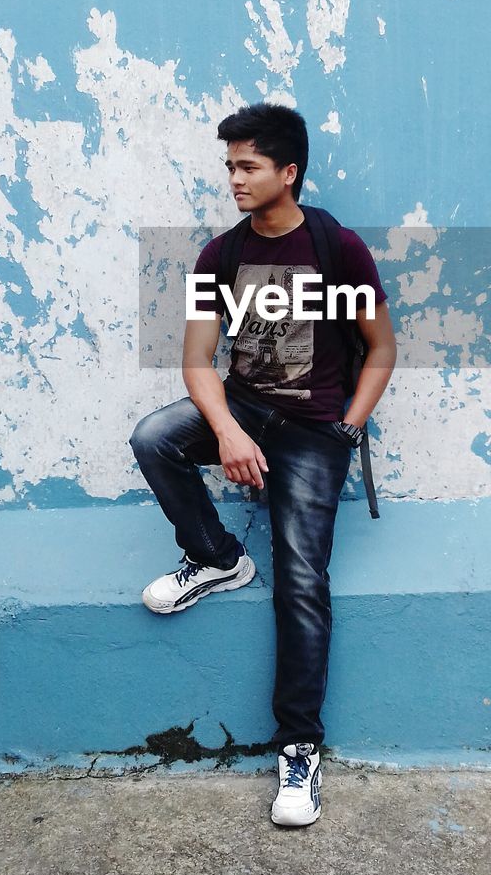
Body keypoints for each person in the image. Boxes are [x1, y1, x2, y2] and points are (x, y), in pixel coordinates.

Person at [129, 103, 396, 827]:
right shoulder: (220, 255)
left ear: (289, 172)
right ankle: (216, 557)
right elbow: (196, 361)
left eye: (248, 167)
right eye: (230, 168)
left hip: (315, 431)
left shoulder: (339, 249)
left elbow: (381, 348)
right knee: (154, 438)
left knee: (302, 579)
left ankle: (299, 749)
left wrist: (347, 428)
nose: (235, 180)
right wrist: (226, 431)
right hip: (245, 409)